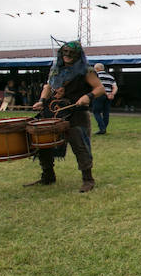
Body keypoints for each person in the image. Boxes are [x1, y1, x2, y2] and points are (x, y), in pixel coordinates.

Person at [27, 41, 106, 193]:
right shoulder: (56, 69)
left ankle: (88, 179)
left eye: (71, 54)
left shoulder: (86, 70)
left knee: (79, 144)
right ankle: (48, 175)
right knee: (43, 141)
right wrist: (42, 101)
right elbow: (48, 87)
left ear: (78, 55)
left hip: (76, 113)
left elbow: (100, 88)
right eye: (65, 53)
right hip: (54, 112)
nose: (67, 56)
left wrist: (88, 96)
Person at [92, 63, 118, 135]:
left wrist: (105, 93)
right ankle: (104, 128)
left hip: (99, 95)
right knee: (106, 112)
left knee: (96, 111)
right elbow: (115, 87)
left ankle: (102, 128)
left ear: (96, 69)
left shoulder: (96, 76)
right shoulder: (110, 77)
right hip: (109, 96)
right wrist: (112, 94)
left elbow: (100, 87)